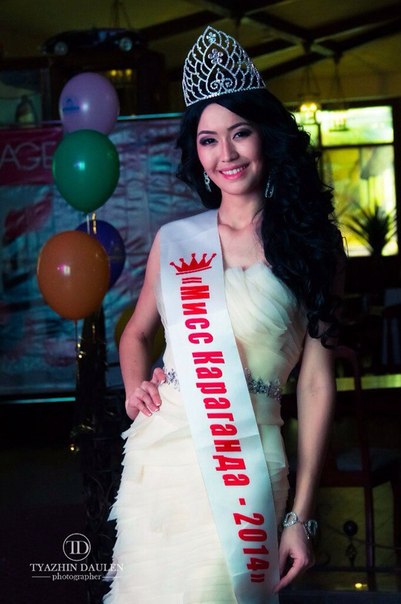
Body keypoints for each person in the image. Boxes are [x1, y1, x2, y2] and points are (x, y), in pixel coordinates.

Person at [104, 26, 345, 603]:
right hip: (163, 451)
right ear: (197, 152)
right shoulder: (174, 240)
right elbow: (135, 334)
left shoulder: (315, 246)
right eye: (209, 140)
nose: (226, 155)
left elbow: (316, 383)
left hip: (249, 456)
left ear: (267, 136)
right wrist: (137, 388)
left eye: (240, 133)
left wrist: (301, 516)